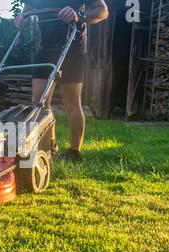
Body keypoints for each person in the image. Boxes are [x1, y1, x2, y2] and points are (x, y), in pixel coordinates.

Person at [15, 0, 109, 161]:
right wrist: (21, 19)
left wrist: (79, 15)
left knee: (72, 101)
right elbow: (27, 11)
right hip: (43, 49)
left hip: (72, 47)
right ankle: (51, 145)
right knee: (39, 101)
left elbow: (103, 11)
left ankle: (74, 151)